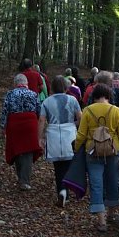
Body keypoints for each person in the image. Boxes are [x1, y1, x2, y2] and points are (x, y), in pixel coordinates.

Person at [73, 83, 119, 232]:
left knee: (96, 184)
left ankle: (101, 220)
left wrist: (77, 148)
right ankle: (111, 214)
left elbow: (81, 134)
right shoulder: (116, 111)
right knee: (112, 181)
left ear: (94, 96)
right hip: (114, 150)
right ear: (108, 96)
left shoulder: (87, 110)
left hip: (92, 151)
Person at [39, 75, 82, 206]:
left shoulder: (46, 101)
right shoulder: (72, 99)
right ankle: (67, 190)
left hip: (53, 133)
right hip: (69, 132)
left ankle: (62, 191)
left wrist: (39, 137)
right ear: (65, 86)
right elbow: (80, 117)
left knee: (58, 166)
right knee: (69, 163)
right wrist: (74, 124)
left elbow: (41, 120)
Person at [0, 73, 42, 190]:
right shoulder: (34, 94)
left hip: (15, 124)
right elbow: (39, 110)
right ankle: (25, 181)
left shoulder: (10, 94)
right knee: (28, 151)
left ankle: (21, 178)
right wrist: (40, 125)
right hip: (30, 123)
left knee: (17, 150)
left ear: (15, 84)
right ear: (26, 84)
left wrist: (2, 127)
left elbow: (4, 111)